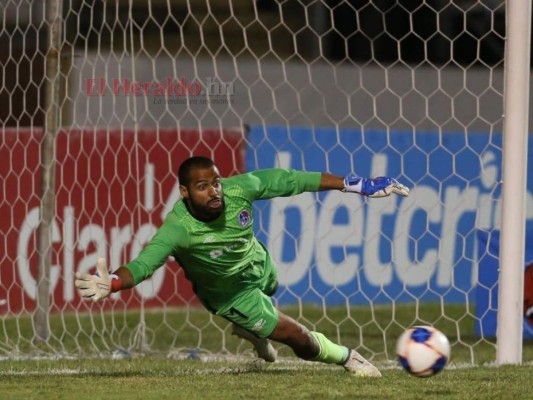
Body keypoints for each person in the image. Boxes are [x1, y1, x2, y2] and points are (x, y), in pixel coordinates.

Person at [75, 156, 409, 377]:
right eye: (203, 187)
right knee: (297, 337)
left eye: (216, 182)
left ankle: (254, 330)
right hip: (231, 295)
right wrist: (115, 282)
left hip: (258, 265)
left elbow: (290, 180)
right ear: (185, 192)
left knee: (273, 289)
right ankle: (347, 357)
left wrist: (356, 185)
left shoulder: (239, 191)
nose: (214, 191)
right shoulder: (178, 229)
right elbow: (145, 263)